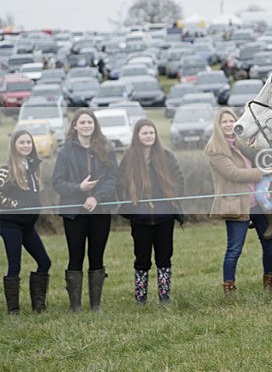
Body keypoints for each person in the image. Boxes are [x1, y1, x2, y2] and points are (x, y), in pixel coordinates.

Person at [206, 108, 272, 294]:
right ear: (218, 125)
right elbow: (233, 173)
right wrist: (262, 172)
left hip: (258, 204)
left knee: (270, 243)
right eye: (225, 122)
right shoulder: (215, 149)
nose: (229, 124)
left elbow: (262, 156)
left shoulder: (243, 143)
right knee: (235, 248)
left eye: (232, 121)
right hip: (236, 205)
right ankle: (229, 287)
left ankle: (269, 282)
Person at [52, 108, 118, 312]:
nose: (86, 125)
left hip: (100, 209)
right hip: (74, 212)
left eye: (90, 122)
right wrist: (79, 189)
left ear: (95, 125)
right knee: (76, 255)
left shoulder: (107, 148)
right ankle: (76, 305)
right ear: (75, 126)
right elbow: (57, 182)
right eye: (82, 122)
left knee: (97, 255)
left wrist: (96, 197)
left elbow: (113, 178)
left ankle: (95, 304)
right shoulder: (65, 152)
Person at [118, 119, 185, 305]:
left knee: (164, 257)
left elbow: (179, 180)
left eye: (151, 133)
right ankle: (141, 297)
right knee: (142, 257)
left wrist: (172, 201)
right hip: (140, 219)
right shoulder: (129, 158)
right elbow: (121, 185)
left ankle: (164, 296)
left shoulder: (167, 156)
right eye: (145, 133)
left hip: (164, 217)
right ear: (137, 136)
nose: (149, 136)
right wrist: (132, 209)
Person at [1, 130, 51, 314]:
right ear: (14, 145)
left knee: (44, 262)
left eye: (28, 142)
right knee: (15, 265)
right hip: (10, 224)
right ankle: (13, 310)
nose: (25, 146)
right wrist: (17, 205)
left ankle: (38, 305)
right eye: (21, 142)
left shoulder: (33, 167)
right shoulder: (6, 169)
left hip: (28, 226)